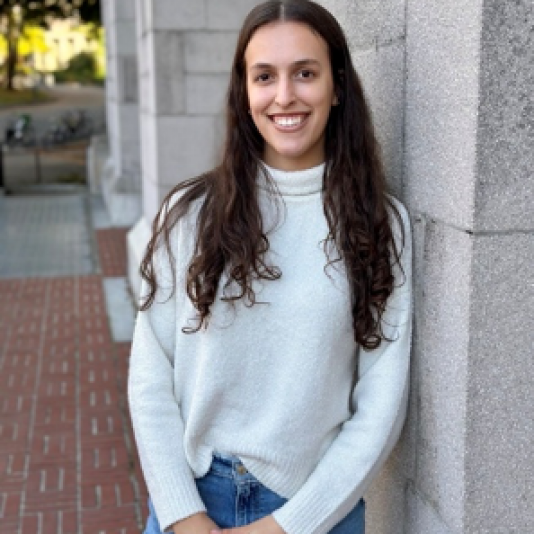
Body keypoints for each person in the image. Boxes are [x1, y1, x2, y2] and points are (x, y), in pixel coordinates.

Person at [128, 1, 412, 533]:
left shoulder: (380, 223)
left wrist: (288, 526)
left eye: (305, 73)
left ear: (338, 85)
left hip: (316, 507)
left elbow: (381, 402)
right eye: (265, 76)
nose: (285, 95)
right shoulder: (191, 213)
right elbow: (150, 373)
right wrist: (182, 514)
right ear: (244, 91)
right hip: (191, 497)